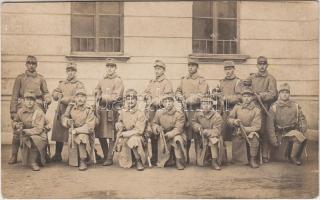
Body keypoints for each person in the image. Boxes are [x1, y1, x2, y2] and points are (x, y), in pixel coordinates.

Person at [9, 55, 51, 164]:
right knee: (18, 130)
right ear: (26, 64)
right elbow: (14, 96)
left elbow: (45, 92)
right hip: (23, 105)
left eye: (33, 63)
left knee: (41, 129)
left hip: (37, 105)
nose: (31, 65)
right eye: (29, 63)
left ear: (36, 65)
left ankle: (43, 153)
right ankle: (14, 155)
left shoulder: (41, 78)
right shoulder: (20, 78)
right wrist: (13, 112)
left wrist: (47, 98)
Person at [175, 58, 209, 164]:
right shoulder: (183, 79)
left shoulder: (201, 80)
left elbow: (202, 94)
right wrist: (180, 97)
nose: (190, 67)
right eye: (189, 65)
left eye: (193, 65)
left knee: (198, 133)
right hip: (185, 111)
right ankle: (185, 157)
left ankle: (200, 157)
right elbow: (178, 91)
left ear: (197, 67)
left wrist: (190, 99)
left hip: (197, 110)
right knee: (186, 134)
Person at [51, 62, 86, 162]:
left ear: (75, 72)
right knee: (59, 133)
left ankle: (80, 155)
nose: (70, 73)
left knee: (75, 131)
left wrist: (65, 99)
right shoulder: (62, 83)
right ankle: (58, 154)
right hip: (61, 110)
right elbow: (54, 93)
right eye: (69, 71)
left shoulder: (79, 84)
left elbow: (80, 97)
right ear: (67, 72)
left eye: (73, 71)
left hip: (74, 111)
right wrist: (57, 94)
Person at [267, 83, 307, 165]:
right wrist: (273, 140)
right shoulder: (274, 107)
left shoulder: (295, 106)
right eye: (282, 92)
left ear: (289, 94)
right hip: (279, 133)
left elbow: (302, 118)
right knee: (278, 158)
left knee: (298, 136)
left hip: (292, 132)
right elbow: (270, 126)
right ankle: (283, 153)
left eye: (287, 92)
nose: (285, 94)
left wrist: (303, 127)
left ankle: (293, 157)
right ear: (279, 94)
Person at [247, 56, 277, 163]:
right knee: (254, 130)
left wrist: (261, 95)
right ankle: (253, 155)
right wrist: (249, 93)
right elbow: (243, 85)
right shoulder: (252, 77)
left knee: (264, 131)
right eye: (260, 64)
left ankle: (264, 155)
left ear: (267, 65)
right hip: (253, 108)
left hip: (264, 108)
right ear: (257, 65)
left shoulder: (271, 78)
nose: (262, 66)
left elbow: (273, 94)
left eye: (264, 64)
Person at [94, 58, 124, 166]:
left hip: (112, 110)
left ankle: (110, 157)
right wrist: (97, 92)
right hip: (102, 110)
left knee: (111, 135)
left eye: (112, 67)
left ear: (115, 68)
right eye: (108, 67)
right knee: (101, 134)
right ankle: (106, 155)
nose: (110, 69)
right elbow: (97, 89)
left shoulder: (118, 80)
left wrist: (102, 96)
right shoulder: (102, 79)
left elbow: (116, 97)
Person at [144, 60, 174, 165]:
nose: (157, 71)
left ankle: (166, 157)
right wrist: (147, 97)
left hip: (163, 111)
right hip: (152, 111)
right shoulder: (152, 82)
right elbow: (146, 92)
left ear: (163, 70)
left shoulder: (167, 82)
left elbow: (167, 97)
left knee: (162, 132)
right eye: (156, 69)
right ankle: (154, 156)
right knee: (152, 133)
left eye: (159, 69)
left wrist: (156, 100)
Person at [11, 91, 48, 171]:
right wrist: (17, 125)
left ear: (34, 102)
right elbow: (15, 121)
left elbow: (39, 129)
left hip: (39, 134)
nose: (29, 102)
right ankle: (14, 156)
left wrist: (25, 131)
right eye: (27, 99)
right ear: (24, 101)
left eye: (32, 100)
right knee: (16, 135)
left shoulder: (38, 112)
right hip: (26, 132)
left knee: (34, 139)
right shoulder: (20, 111)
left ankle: (33, 162)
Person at [61, 88, 96, 171]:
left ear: (85, 99)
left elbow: (90, 127)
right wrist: (67, 122)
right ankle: (75, 159)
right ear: (75, 98)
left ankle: (83, 160)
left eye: (82, 97)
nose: (80, 99)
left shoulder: (89, 110)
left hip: (85, 133)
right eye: (78, 97)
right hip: (73, 132)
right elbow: (64, 117)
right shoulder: (71, 108)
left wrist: (76, 130)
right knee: (73, 162)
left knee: (81, 137)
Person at [228, 88, 261, 168]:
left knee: (254, 138)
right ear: (242, 98)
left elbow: (257, 126)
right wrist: (234, 121)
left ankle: (253, 159)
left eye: (249, 96)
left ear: (252, 98)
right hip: (238, 131)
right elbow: (229, 119)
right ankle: (238, 159)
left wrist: (244, 130)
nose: (246, 98)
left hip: (250, 132)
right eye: (244, 96)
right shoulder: (237, 107)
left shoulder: (256, 109)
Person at [114, 89, 147, 171]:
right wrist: (119, 125)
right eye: (128, 99)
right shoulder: (123, 112)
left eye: (132, 99)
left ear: (136, 100)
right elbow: (120, 121)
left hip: (138, 137)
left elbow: (139, 130)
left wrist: (124, 134)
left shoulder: (140, 113)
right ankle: (129, 160)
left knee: (133, 140)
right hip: (125, 136)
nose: (130, 101)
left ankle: (138, 160)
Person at [152, 94, 187, 170]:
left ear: (173, 102)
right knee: (164, 160)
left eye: (170, 101)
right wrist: (157, 128)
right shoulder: (159, 112)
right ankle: (166, 160)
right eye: (165, 101)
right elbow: (154, 123)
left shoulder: (179, 113)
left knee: (177, 140)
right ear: (163, 103)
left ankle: (178, 160)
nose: (168, 103)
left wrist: (170, 134)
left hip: (176, 134)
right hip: (163, 135)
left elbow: (179, 128)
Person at [191, 94, 226, 170]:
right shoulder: (197, 113)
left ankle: (214, 161)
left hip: (213, 136)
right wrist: (198, 127)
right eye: (204, 104)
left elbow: (217, 131)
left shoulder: (217, 116)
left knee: (213, 140)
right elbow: (194, 122)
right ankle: (205, 157)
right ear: (201, 105)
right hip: (201, 137)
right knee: (200, 163)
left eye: (208, 104)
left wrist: (207, 132)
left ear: (212, 105)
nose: (206, 106)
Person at [213, 60, 242, 141]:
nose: (227, 71)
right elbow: (216, 93)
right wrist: (215, 95)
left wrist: (226, 98)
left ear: (233, 69)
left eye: (229, 69)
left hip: (233, 112)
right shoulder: (221, 82)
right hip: (222, 112)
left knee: (234, 136)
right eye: (226, 69)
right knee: (221, 135)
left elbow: (239, 97)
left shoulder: (238, 82)